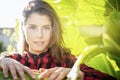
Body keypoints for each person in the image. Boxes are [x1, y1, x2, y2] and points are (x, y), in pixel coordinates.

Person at [0, 0, 117, 80]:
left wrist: (80, 75)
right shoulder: (13, 60)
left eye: (46, 28)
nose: (39, 35)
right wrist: (3, 61)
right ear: (23, 29)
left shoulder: (66, 60)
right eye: (32, 28)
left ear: (53, 30)